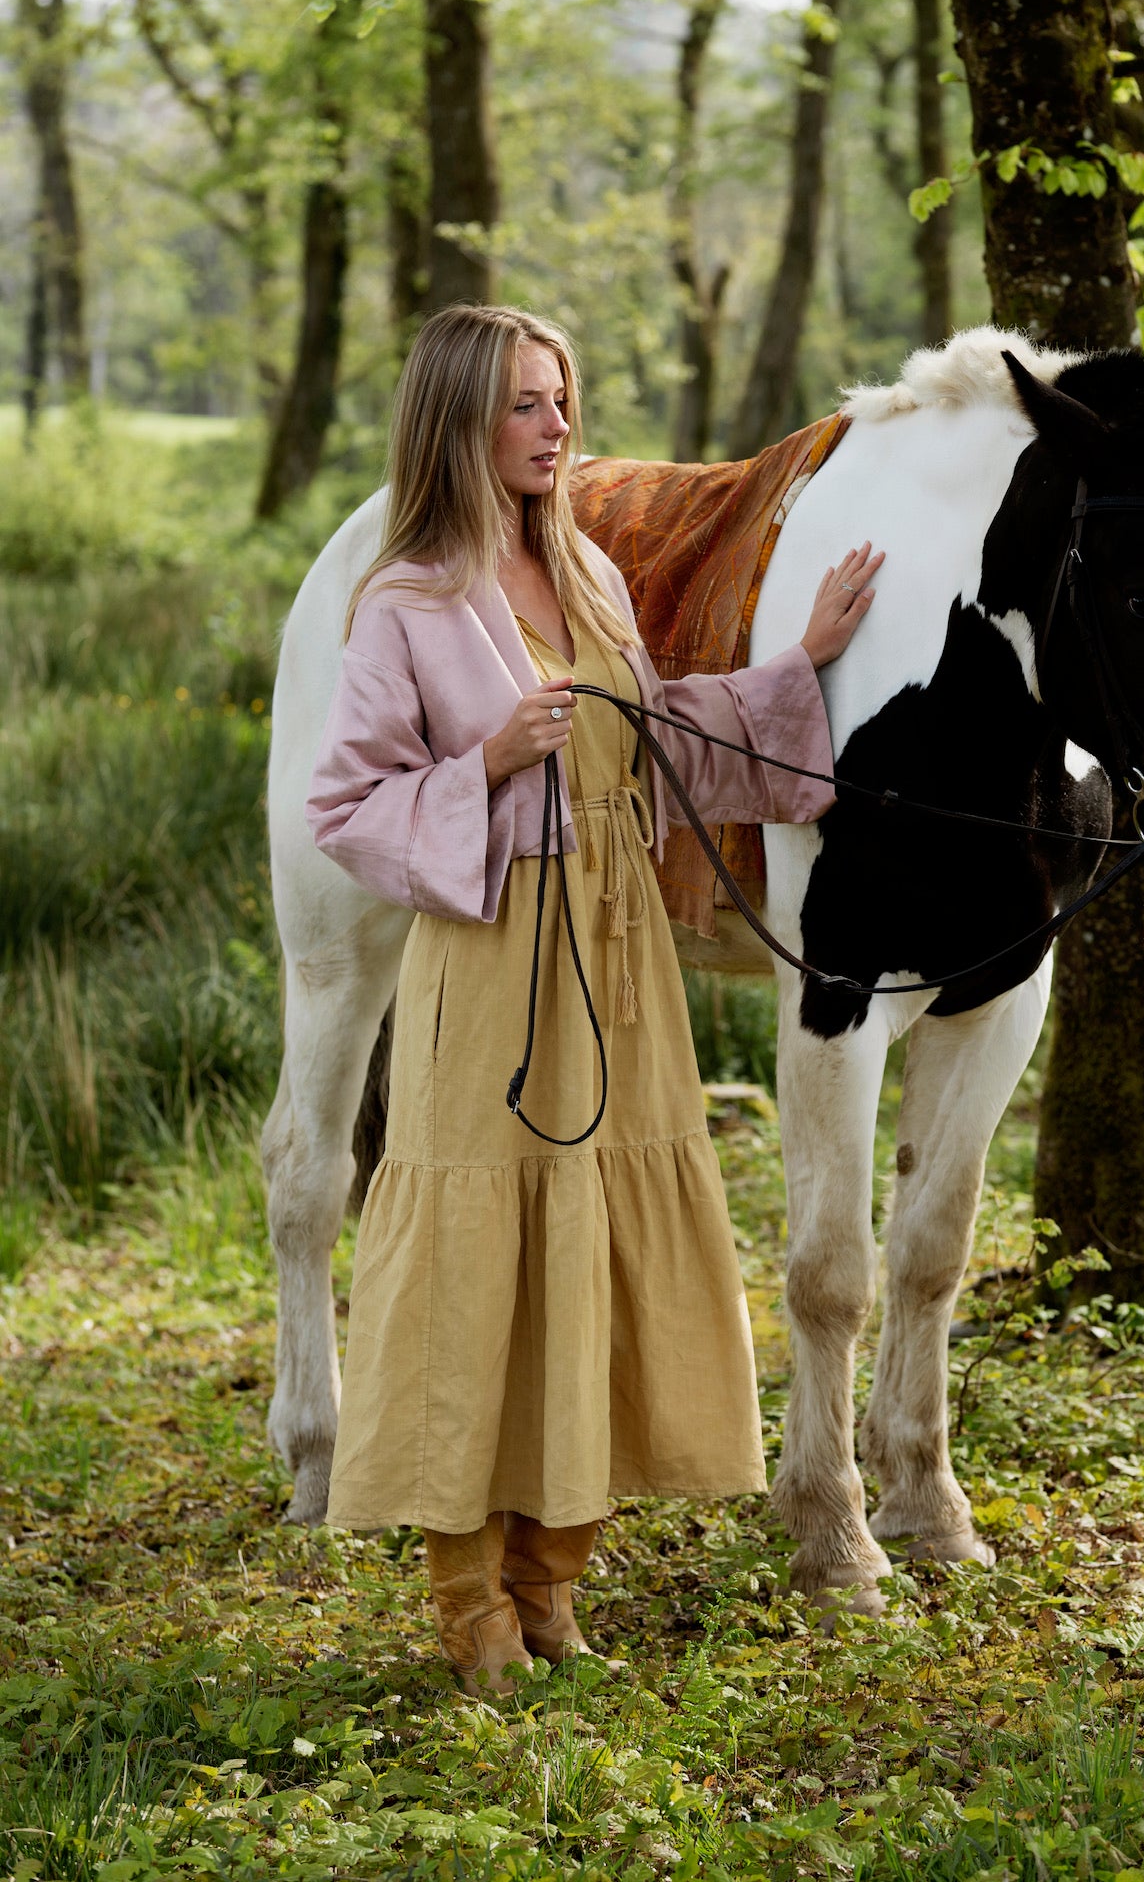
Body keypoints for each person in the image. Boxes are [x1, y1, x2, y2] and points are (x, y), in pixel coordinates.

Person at [306, 304, 880, 1696]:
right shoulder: (408, 603)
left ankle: (553, 1576)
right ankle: (467, 1598)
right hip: (494, 965)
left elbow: (663, 740)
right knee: (473, 1273)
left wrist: (799, 667)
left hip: (621, 964)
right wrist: (489, 763)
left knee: (608, 1249)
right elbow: (347, 806)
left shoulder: (595, 578)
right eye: (524, 405)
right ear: (456, 423)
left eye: (563, 399)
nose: (558, 426)